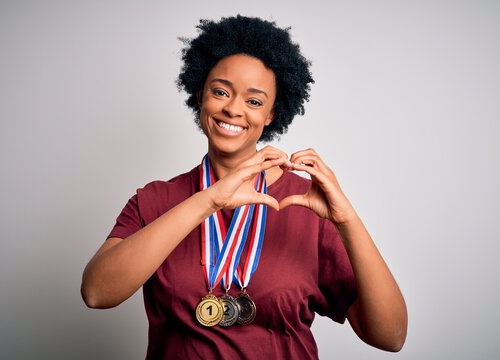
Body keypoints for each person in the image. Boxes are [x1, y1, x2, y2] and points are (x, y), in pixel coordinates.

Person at [81, 15, 407, 359]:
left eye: (254, 101)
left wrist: (347, 219)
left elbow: (391, 336)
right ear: (200, 95)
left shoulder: (309, 206)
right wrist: (209, 200)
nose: (233, 109)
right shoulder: (155, 199)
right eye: (220, 91)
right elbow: (97, 293)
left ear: (270, 114)